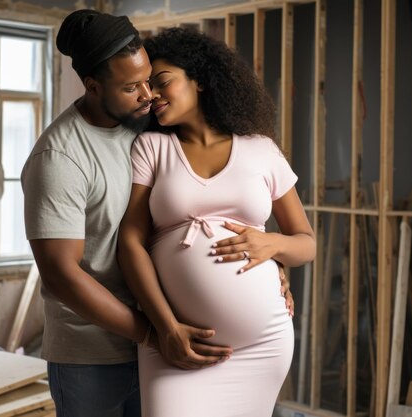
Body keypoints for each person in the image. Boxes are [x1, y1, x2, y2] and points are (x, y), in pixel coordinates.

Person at [21, 10, 240, 417]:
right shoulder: (60, 158)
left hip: (163, 340)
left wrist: (267, 260)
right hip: (92, 358)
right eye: (130, 87)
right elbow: (62, 275)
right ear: (92, 86)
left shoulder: (151, 126)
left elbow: (207, 206)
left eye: (149, 80)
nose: (147, 94)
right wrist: (155, 334)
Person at [117, 27, 316, 417]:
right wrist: (166, 329)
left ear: (201, 81)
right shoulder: (153, 148)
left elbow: (306, 243)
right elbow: (131, 243)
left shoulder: (261, 150)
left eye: (163, 81)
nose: (152, 94)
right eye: (145, 86)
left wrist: (272, 245)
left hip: (263, 343)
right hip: (178, 344)